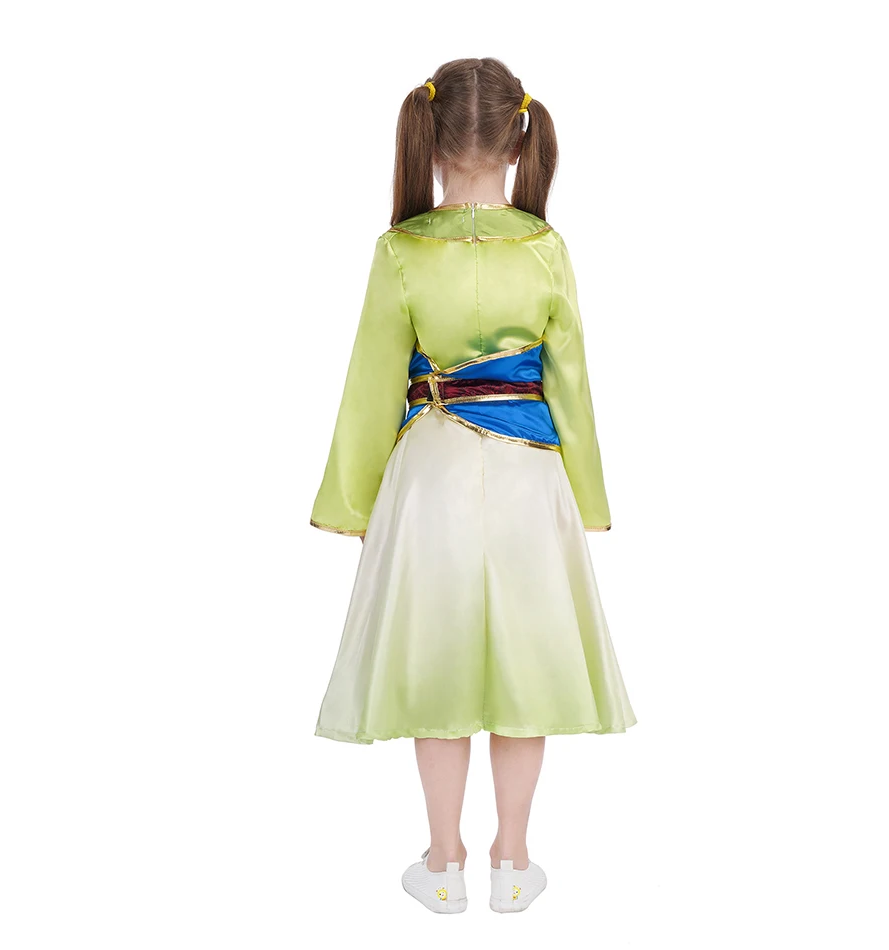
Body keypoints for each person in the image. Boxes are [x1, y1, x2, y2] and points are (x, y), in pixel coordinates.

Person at [308, 57, 637, 915]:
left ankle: (444, 860)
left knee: (440, 664)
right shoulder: (546, 249)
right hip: (530, 481)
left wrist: (354, 502)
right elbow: (570, 384)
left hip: (432, 479)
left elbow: (372, 383)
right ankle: (514, 861)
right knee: (526, 669)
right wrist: (587, 498)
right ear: (519, 143)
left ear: (432, 141)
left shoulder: (400, 251)